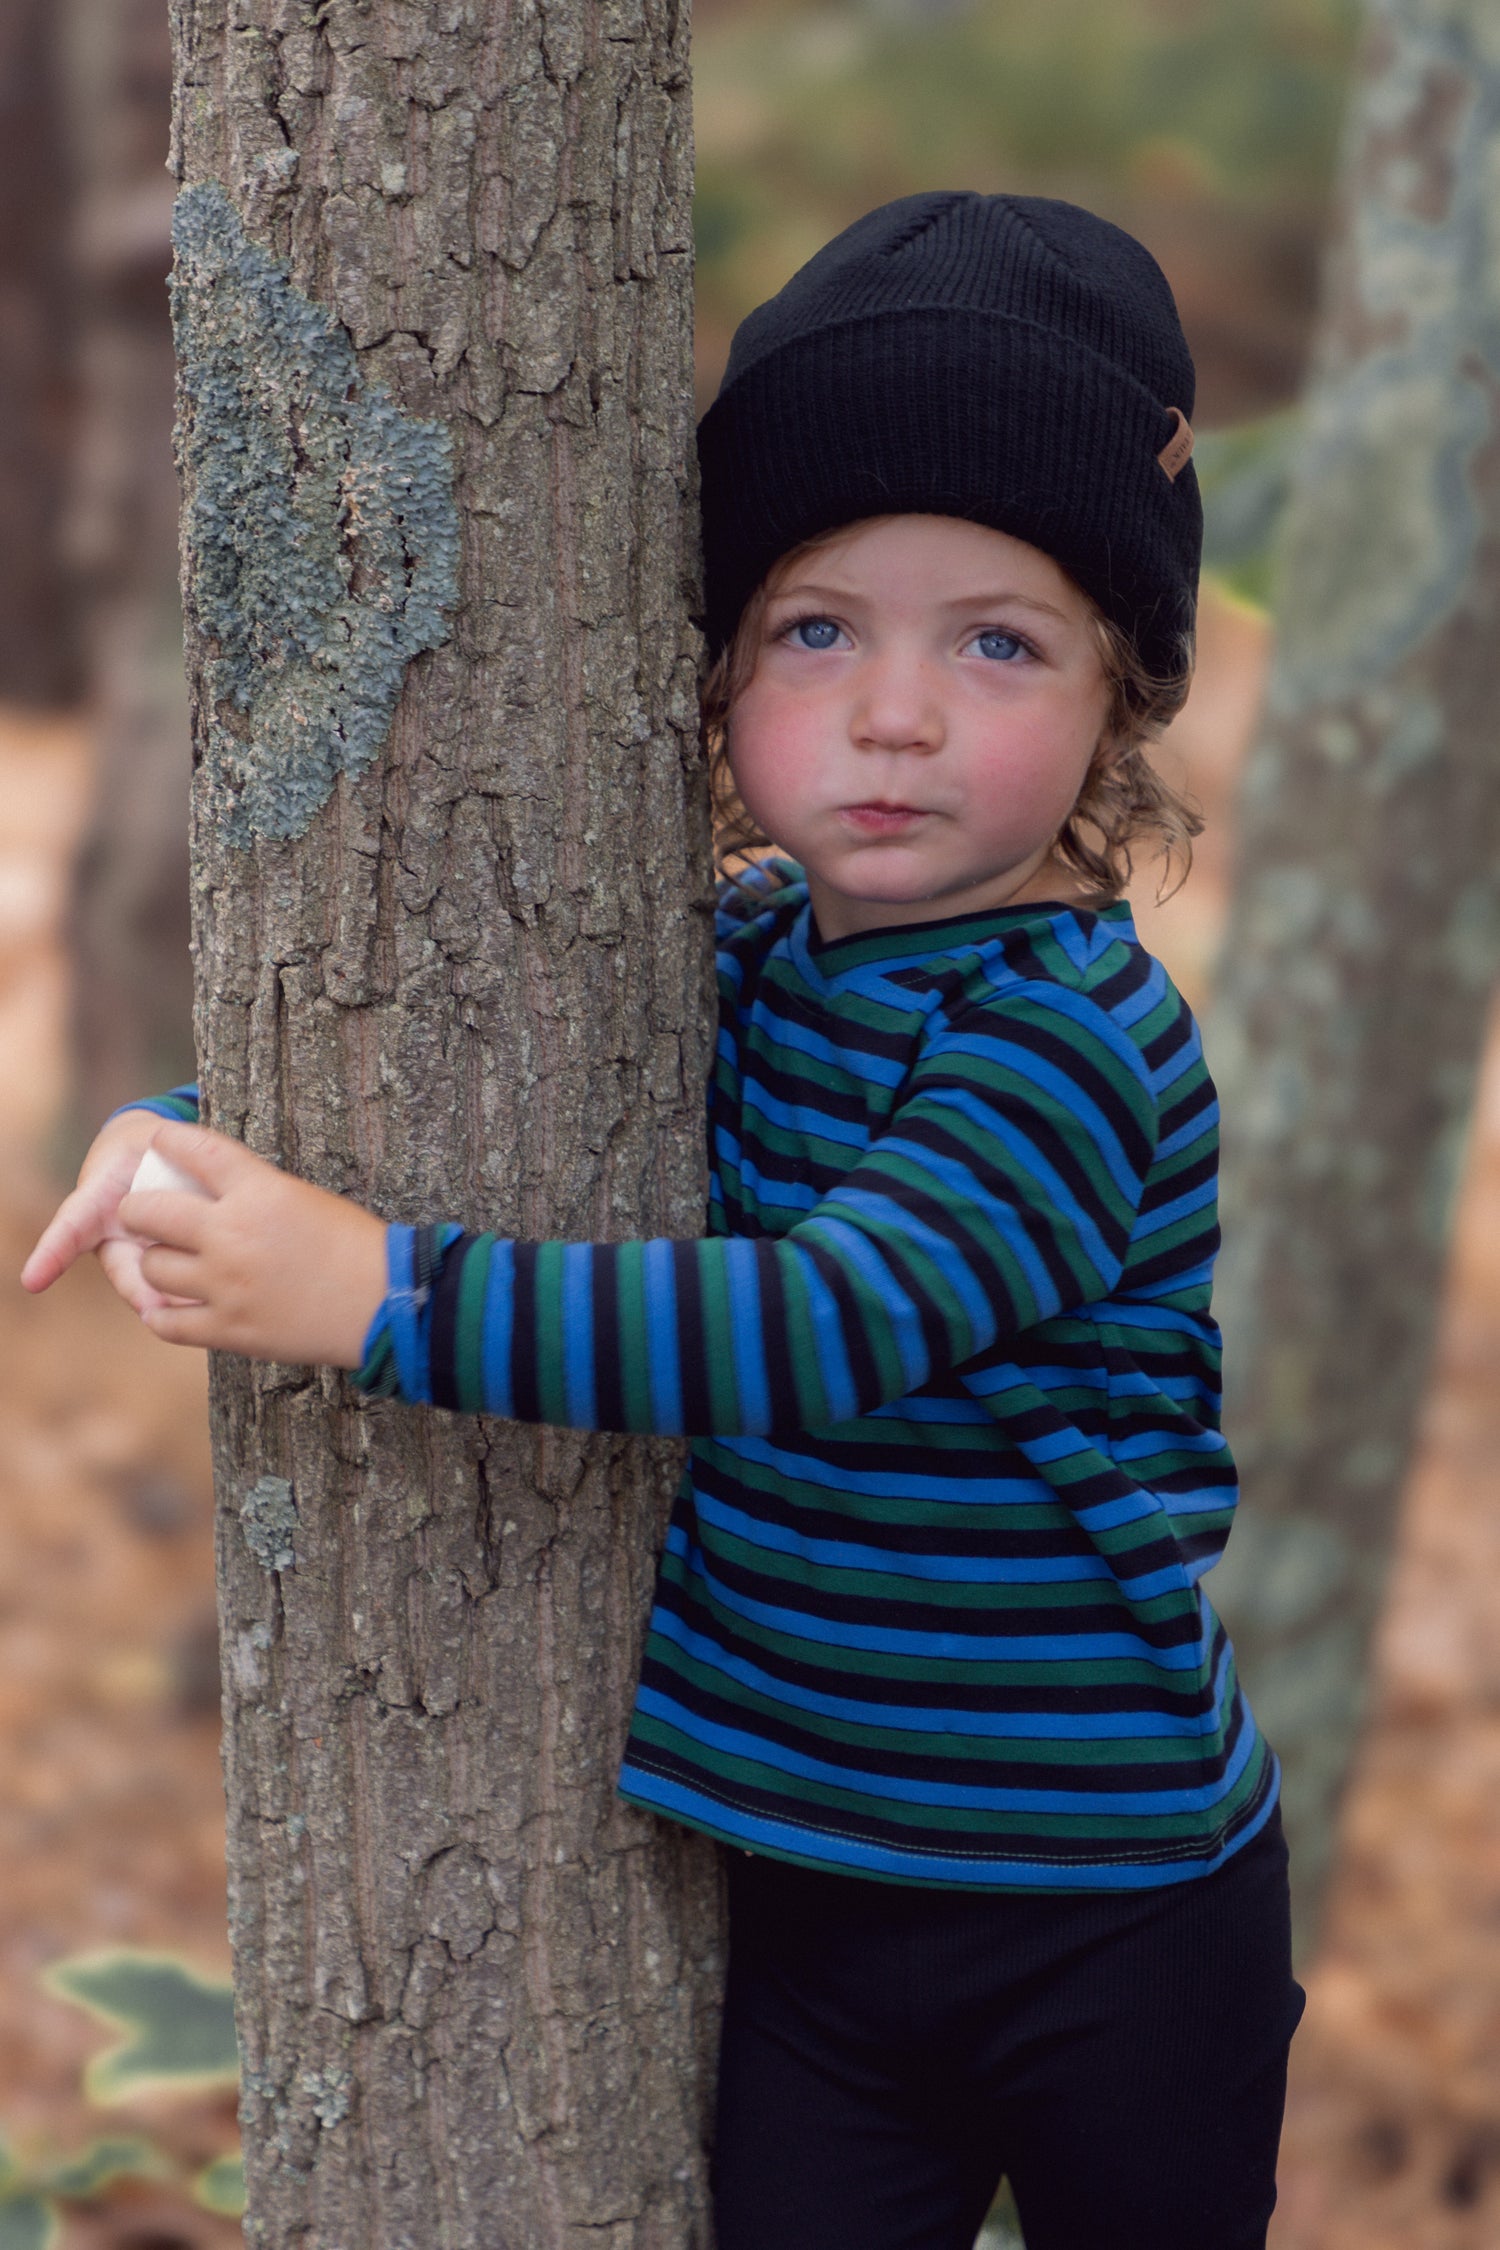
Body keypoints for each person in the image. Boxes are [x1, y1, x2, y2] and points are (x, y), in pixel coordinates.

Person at [24, 191, 1304, 2250]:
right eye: (817, 629)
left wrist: (375, 1297)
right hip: (800, 1910)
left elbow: (823, 1328)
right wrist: (192, 1132)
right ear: (712, 681)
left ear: (1118, 696)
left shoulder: (1066, 1037)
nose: (896, 712)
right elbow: (442, 1094)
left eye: (997, 639)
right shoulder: (734, 957)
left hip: (1105, 1914)